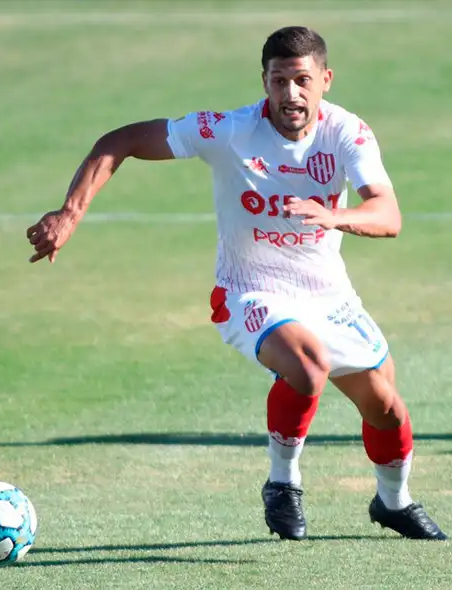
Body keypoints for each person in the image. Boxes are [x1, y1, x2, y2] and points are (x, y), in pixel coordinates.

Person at [25, 26, 445, 542]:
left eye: (302, 80)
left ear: (326, 81)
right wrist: (70, 214)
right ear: (264, 81)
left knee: (386, 404)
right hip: (251, 290)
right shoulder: (227, 130)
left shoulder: (348, 133)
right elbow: (123, 141)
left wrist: (335, 217)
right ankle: (283, 484)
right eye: (279, 80)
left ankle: (393, 502)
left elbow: (389, 215)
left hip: (329, 294)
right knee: (308, 366)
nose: (290, 93)